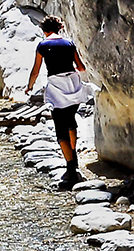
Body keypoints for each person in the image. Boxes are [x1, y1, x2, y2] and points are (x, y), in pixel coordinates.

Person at [25, 16, 89, 189]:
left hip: (57, 87)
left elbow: (36, 70)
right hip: (73, 84)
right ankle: (73, 154)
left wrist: (29, 87)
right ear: (59, 28)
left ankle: (71, 168)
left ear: (44, 30)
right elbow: (81, 68)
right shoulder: (69, 43)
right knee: (71, 120)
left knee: (60, 127)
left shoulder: (43, 45)